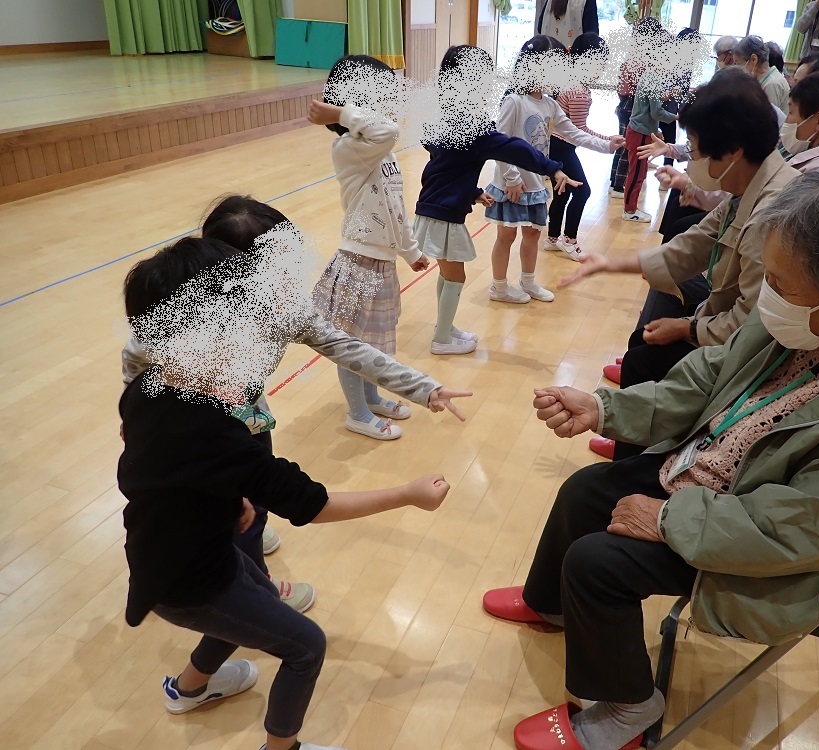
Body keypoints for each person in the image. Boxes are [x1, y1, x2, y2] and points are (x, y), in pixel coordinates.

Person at [482, 170, 819, 750]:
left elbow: (804, 528)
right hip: (735, 476)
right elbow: (715, 372)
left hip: (786, 547)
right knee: (586, 490)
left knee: (598, 564)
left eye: (780, 283)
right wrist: (606, 408)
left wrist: (668, 518)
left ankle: (629, 708)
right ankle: (550, 606)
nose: (767, 294)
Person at [118, 236, 453, 750]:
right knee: (305, 645)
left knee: (256, 599)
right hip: (185, 580)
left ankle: (188, 688)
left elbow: (148, 472)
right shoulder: (220, 434)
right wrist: (408, 493)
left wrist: (228, 495)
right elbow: (311, 504)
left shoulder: (147, 391)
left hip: (176, 548)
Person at [120, 197, 469, 609]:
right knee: (228, 512)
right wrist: (137, 410)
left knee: (251, 505)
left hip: (245, 416)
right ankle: (257, 588)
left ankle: (246, 540)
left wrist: (423, 388)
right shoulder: (184, 317)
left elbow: (346, 346)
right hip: (195, 425)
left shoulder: (283, 308)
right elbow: (136, 355)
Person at [565, 67, 800, 461]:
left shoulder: (771, 214)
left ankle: (635, 462)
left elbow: (752, 324)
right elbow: (692, 245)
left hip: (752, 356)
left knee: (644, 356)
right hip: (727, 328)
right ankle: (633, 441)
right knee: (644, 343)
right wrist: (609, 263)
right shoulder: (753, 184)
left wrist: (689, 328)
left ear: (733, 151)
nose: (693, 161)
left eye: (696, 149)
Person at [413, 44, 578, 352]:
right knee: (455, 276)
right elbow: (514, 148)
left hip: (432, 208)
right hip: (443, 214)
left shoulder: (444, 119)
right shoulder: (473, 127)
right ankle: (441, 340)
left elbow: (446, 168)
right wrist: (552, 168)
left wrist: (473, 193)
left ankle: (444, 327)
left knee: (447, 274)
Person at [306, 55, 429, 441]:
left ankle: (371, 397)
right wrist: (341, 114)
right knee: (353, 344)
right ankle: (357, 413)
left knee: (372, 341)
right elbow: (387, 129)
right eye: (380, 95)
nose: (387, 104)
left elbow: (395, 209)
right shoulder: (349, 147)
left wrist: (410, 251)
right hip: (357, 261)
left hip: (380, 262)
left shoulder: (381, 151)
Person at [487, 36, 620, 303]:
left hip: (535, 183)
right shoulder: (514, 100)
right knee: (506, 236)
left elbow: (573, 132)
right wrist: (511, 178)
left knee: (532, 234)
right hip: (512, 183)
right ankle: (499, 287)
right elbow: (499, 143)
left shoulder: (549, 104)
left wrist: (607, 145)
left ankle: (528, 283)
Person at [546, 33, 617, 261]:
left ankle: (552, 238)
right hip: (562, 146)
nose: (601, 69)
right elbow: (578, 131)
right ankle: (569, 240)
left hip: (555, 144)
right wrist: (607, 140)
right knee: (582, 191)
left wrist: (607, 139)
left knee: (562, 192)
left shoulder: (569, 81)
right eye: (599, 63)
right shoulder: (579, 91)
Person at [621, 36, 678, 223]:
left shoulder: (649, 75)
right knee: (636, 173)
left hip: (640, 130)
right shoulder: (653, 79)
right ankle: (629, 210)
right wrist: (676, 117)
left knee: (638, 171)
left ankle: (630, 208)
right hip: (639, 132)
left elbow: (649, 107)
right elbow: (657, 112)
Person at [610, 17, 662, 199]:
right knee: (629, 147)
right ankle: (618, 187)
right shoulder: (643, 59)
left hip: (625, 103)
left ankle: (614, 183)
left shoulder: (632, 54)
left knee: (623, 145)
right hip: (632, 105)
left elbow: (622, 87)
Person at [734, 35, 790, 115]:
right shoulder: (764, 79)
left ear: (753, 59)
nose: (738, 68)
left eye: (739, 63)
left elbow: (769, 118)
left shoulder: (771, 84)